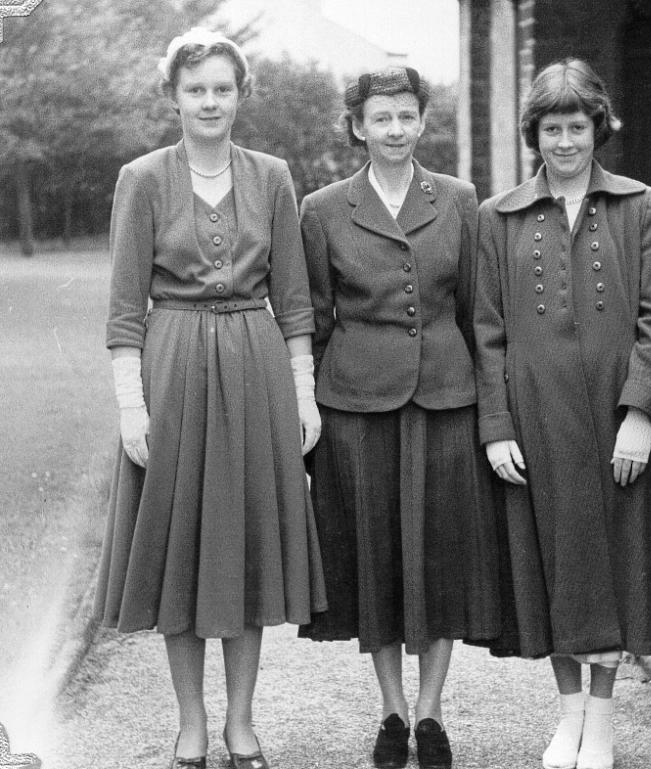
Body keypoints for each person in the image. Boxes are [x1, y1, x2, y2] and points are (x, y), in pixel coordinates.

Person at [93, 27, 326, 769]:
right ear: (174, 96)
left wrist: (304, 395)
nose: (210, 101)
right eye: (195, 89)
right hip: (173, 371)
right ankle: (191, 725)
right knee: (182, 551)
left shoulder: (274, 177)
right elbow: (127, 308)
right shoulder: (143, 179)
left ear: (241, 94)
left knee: (246, 547)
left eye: (222, 88)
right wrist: (133, 406)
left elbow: (293, 301)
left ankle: (242, 725)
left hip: (255, 371)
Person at [475, 58, 651, 769]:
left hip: (619, 426)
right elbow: (485, 329)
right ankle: (568, 715)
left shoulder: (639, 205)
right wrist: (496, 426)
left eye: (577, 126)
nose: (566, 142)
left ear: (598, 127)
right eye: (552, 128)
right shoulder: (500, 216)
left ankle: (602, 722)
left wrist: (640, 412)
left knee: (616, 566)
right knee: (553, 563)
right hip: (536, 421)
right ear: (535, 133)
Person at [298, 67, 501, 769]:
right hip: (355, 408)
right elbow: (315, 318)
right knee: (374, 558)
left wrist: (489, 410)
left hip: (444, 403)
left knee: (441, 555)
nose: (393, 129)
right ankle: (390, 711)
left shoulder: (460, 199)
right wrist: (310, 409)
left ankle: (432, 713)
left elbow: (477, 311)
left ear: (422, 122)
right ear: (358, 125)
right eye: (379, 118)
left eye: (405, 116)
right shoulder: (322, 208)